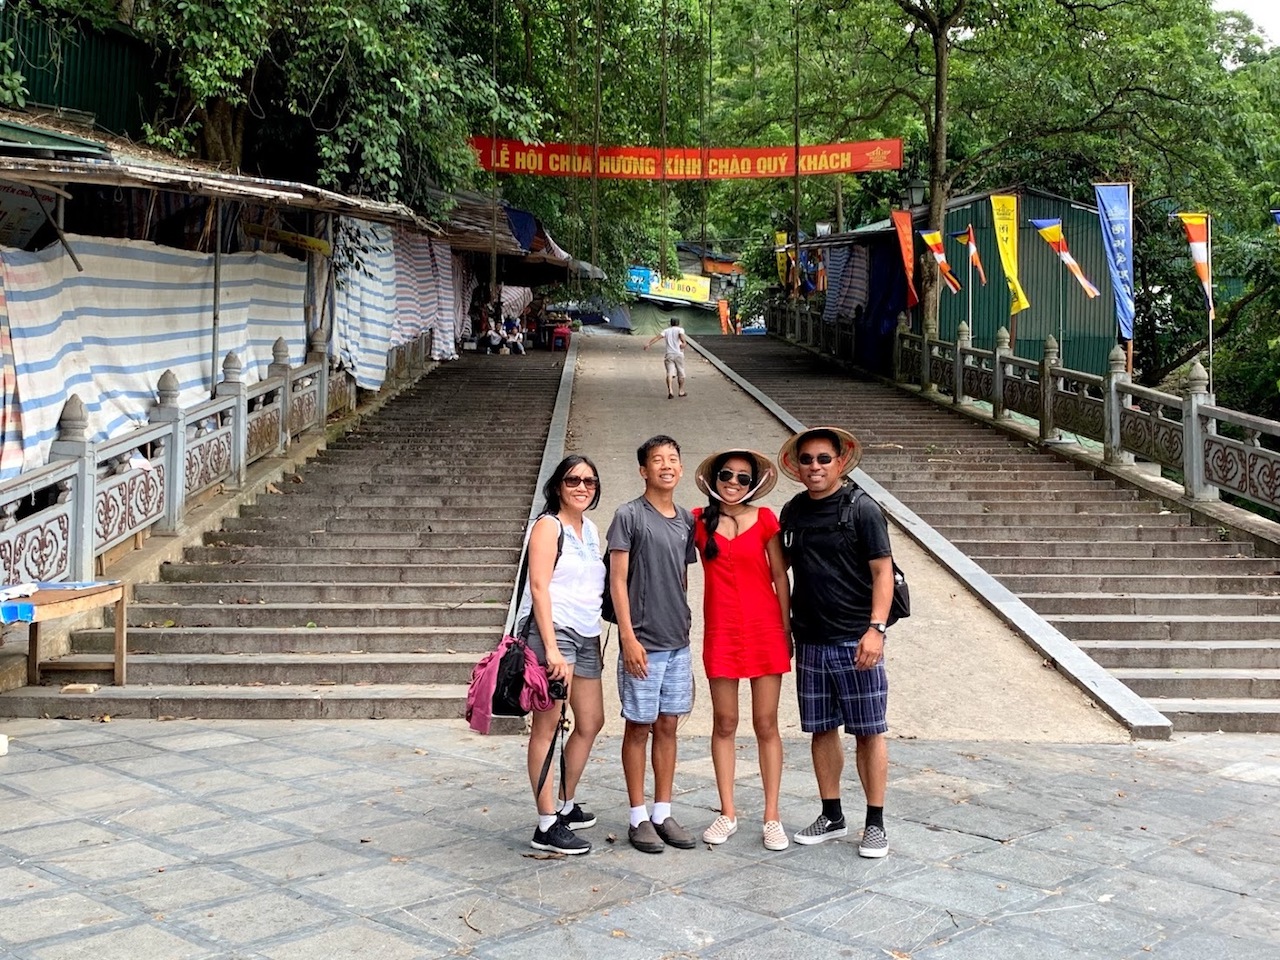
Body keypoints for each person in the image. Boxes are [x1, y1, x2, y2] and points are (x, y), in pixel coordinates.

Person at [776, 426, 895, 859]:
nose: (815, 467)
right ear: (797, 465)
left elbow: (883, 571)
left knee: (868, 730)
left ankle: (876, 822)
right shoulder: (793, 512)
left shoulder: (861, 509)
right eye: (807, 460)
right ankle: (832, 813)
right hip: (810, 638)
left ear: (840, 462)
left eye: (823, 459)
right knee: (821, 729)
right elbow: (778, 570)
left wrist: (875, 629)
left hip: (856, 638)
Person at [691, 449, 792, 851]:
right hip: (721, 630)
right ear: (714, 478)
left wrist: (786, 629)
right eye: (726, 475)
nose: (733, 483)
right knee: (725, 722)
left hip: (765, 628)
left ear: (754, 484)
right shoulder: (699, 520)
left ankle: (772, 816)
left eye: (742, 478)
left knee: (766, 723)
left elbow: (780, 578)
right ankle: (727, 811)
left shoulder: (767, 519)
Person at [607, 434, 697, 854]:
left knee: (668, 725)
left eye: (673, 459)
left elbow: (681, 574)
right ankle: (637, 814)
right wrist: (627, 636)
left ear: (680, 468)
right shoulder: (628, 516)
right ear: (643, 470)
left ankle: (663, 810)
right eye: (657, 460)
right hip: (642, 640)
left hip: (677, 640)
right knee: (638, 726)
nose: (666, 465)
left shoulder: (685, 519)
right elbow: (617, 579)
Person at [519, 456, 607, 855]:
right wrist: (551, 647)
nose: (582, 486)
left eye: (589, 481)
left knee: (590, 721)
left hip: (588, 635)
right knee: (549, 727)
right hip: (555, 636)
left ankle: (566, 803)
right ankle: (545, 823)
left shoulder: (590, 529)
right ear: (558, 485)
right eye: (573, 479)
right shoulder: (547, 526)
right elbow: (539, 587)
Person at [643, 318, 688, 399]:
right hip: (678, 354)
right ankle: (681, 391)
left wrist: (648, 344)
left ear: (670, 323)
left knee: (669, 373)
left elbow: (657, 338)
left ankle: (670, 390)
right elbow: (681, 336)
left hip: (669, 354)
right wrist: (684, 342)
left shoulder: (666, 331)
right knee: (681, 373)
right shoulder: (680, 330)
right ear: (678, 323)